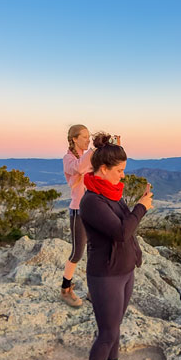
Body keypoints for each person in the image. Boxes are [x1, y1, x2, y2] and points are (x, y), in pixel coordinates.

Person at [79, 132, 154, 360]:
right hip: (105, 275)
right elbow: (123, 232)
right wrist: (141, 207)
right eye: (119, 171)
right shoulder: (92, 202)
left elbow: (125, 225)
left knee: (115, 327)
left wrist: (136, 204)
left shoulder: (113, 194)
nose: (122, 176)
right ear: (103, 169)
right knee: (107, 332)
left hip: (124, 271)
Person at [60, 125, 120, 307]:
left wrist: (112, 148)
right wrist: (95, 149)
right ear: (74, 139)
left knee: (96, 251)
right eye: (84, 137)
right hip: (79, 209)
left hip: (95, 208)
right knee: (77, 252)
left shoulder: (89, 157)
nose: (88, 140)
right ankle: (65, 289)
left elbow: (105, 167)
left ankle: (93, 290)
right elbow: (79, 169)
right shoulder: (68, 159)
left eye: (89, 137)